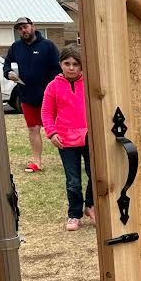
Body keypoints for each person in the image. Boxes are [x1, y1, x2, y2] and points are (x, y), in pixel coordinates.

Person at [41, 46, 95, 231]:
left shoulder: (89, 83)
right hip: (65, 140)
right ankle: (74, 214)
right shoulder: (53, 87)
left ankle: (91, 205)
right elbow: (47, 112)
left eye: (75, 64)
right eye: (67, 63)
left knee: (95, 174)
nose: (71, 68)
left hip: (89, 137)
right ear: (60, 65)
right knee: (73, 180)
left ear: (81, 67)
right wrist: (52, 132)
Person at [3, 18, 61, 173]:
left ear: (33, 27)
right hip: (27, 96)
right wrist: (8, 73)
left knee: (58, 128)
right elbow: (7, 64)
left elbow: (58, 69)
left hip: (48, 97)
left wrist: (54, 89)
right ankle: (36, 161)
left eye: (25, 27)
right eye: (20, 29)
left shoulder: (47, 46)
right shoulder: (16, 47)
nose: (23, 30)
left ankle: (70, 157)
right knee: (33, 129)